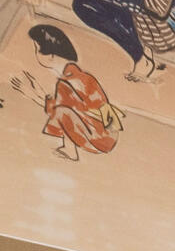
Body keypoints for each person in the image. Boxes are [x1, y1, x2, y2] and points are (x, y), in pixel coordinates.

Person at [27, 24, 120, 161]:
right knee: (62, 110)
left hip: (99, 140)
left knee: (62, 112)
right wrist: (41, 94)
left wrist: (33, 95)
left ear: (51, 55)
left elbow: (57, 112)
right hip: (107, 135)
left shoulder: (68, 82)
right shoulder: (79, 76)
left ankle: (70, 151)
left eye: (37, 49)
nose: (36, 54)